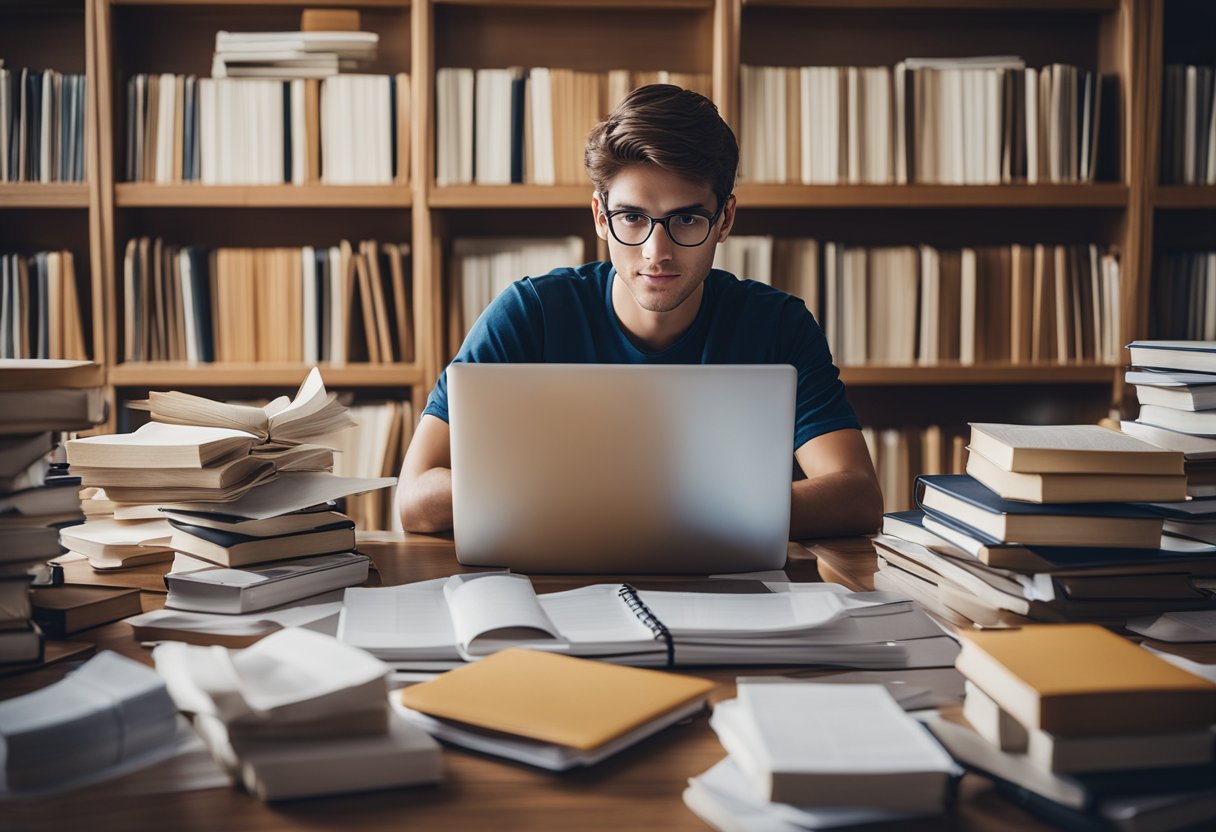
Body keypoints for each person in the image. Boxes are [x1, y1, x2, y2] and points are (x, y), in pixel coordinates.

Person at [397, 84, 882, 538]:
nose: (657, 250)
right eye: (632, 218)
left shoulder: (777, 325)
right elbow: (416, 498)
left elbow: (856, 494)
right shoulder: (531, 313)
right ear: (600, 218)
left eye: (686, 219)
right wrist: (605, 504)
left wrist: (677, 513)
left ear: (725, 220)